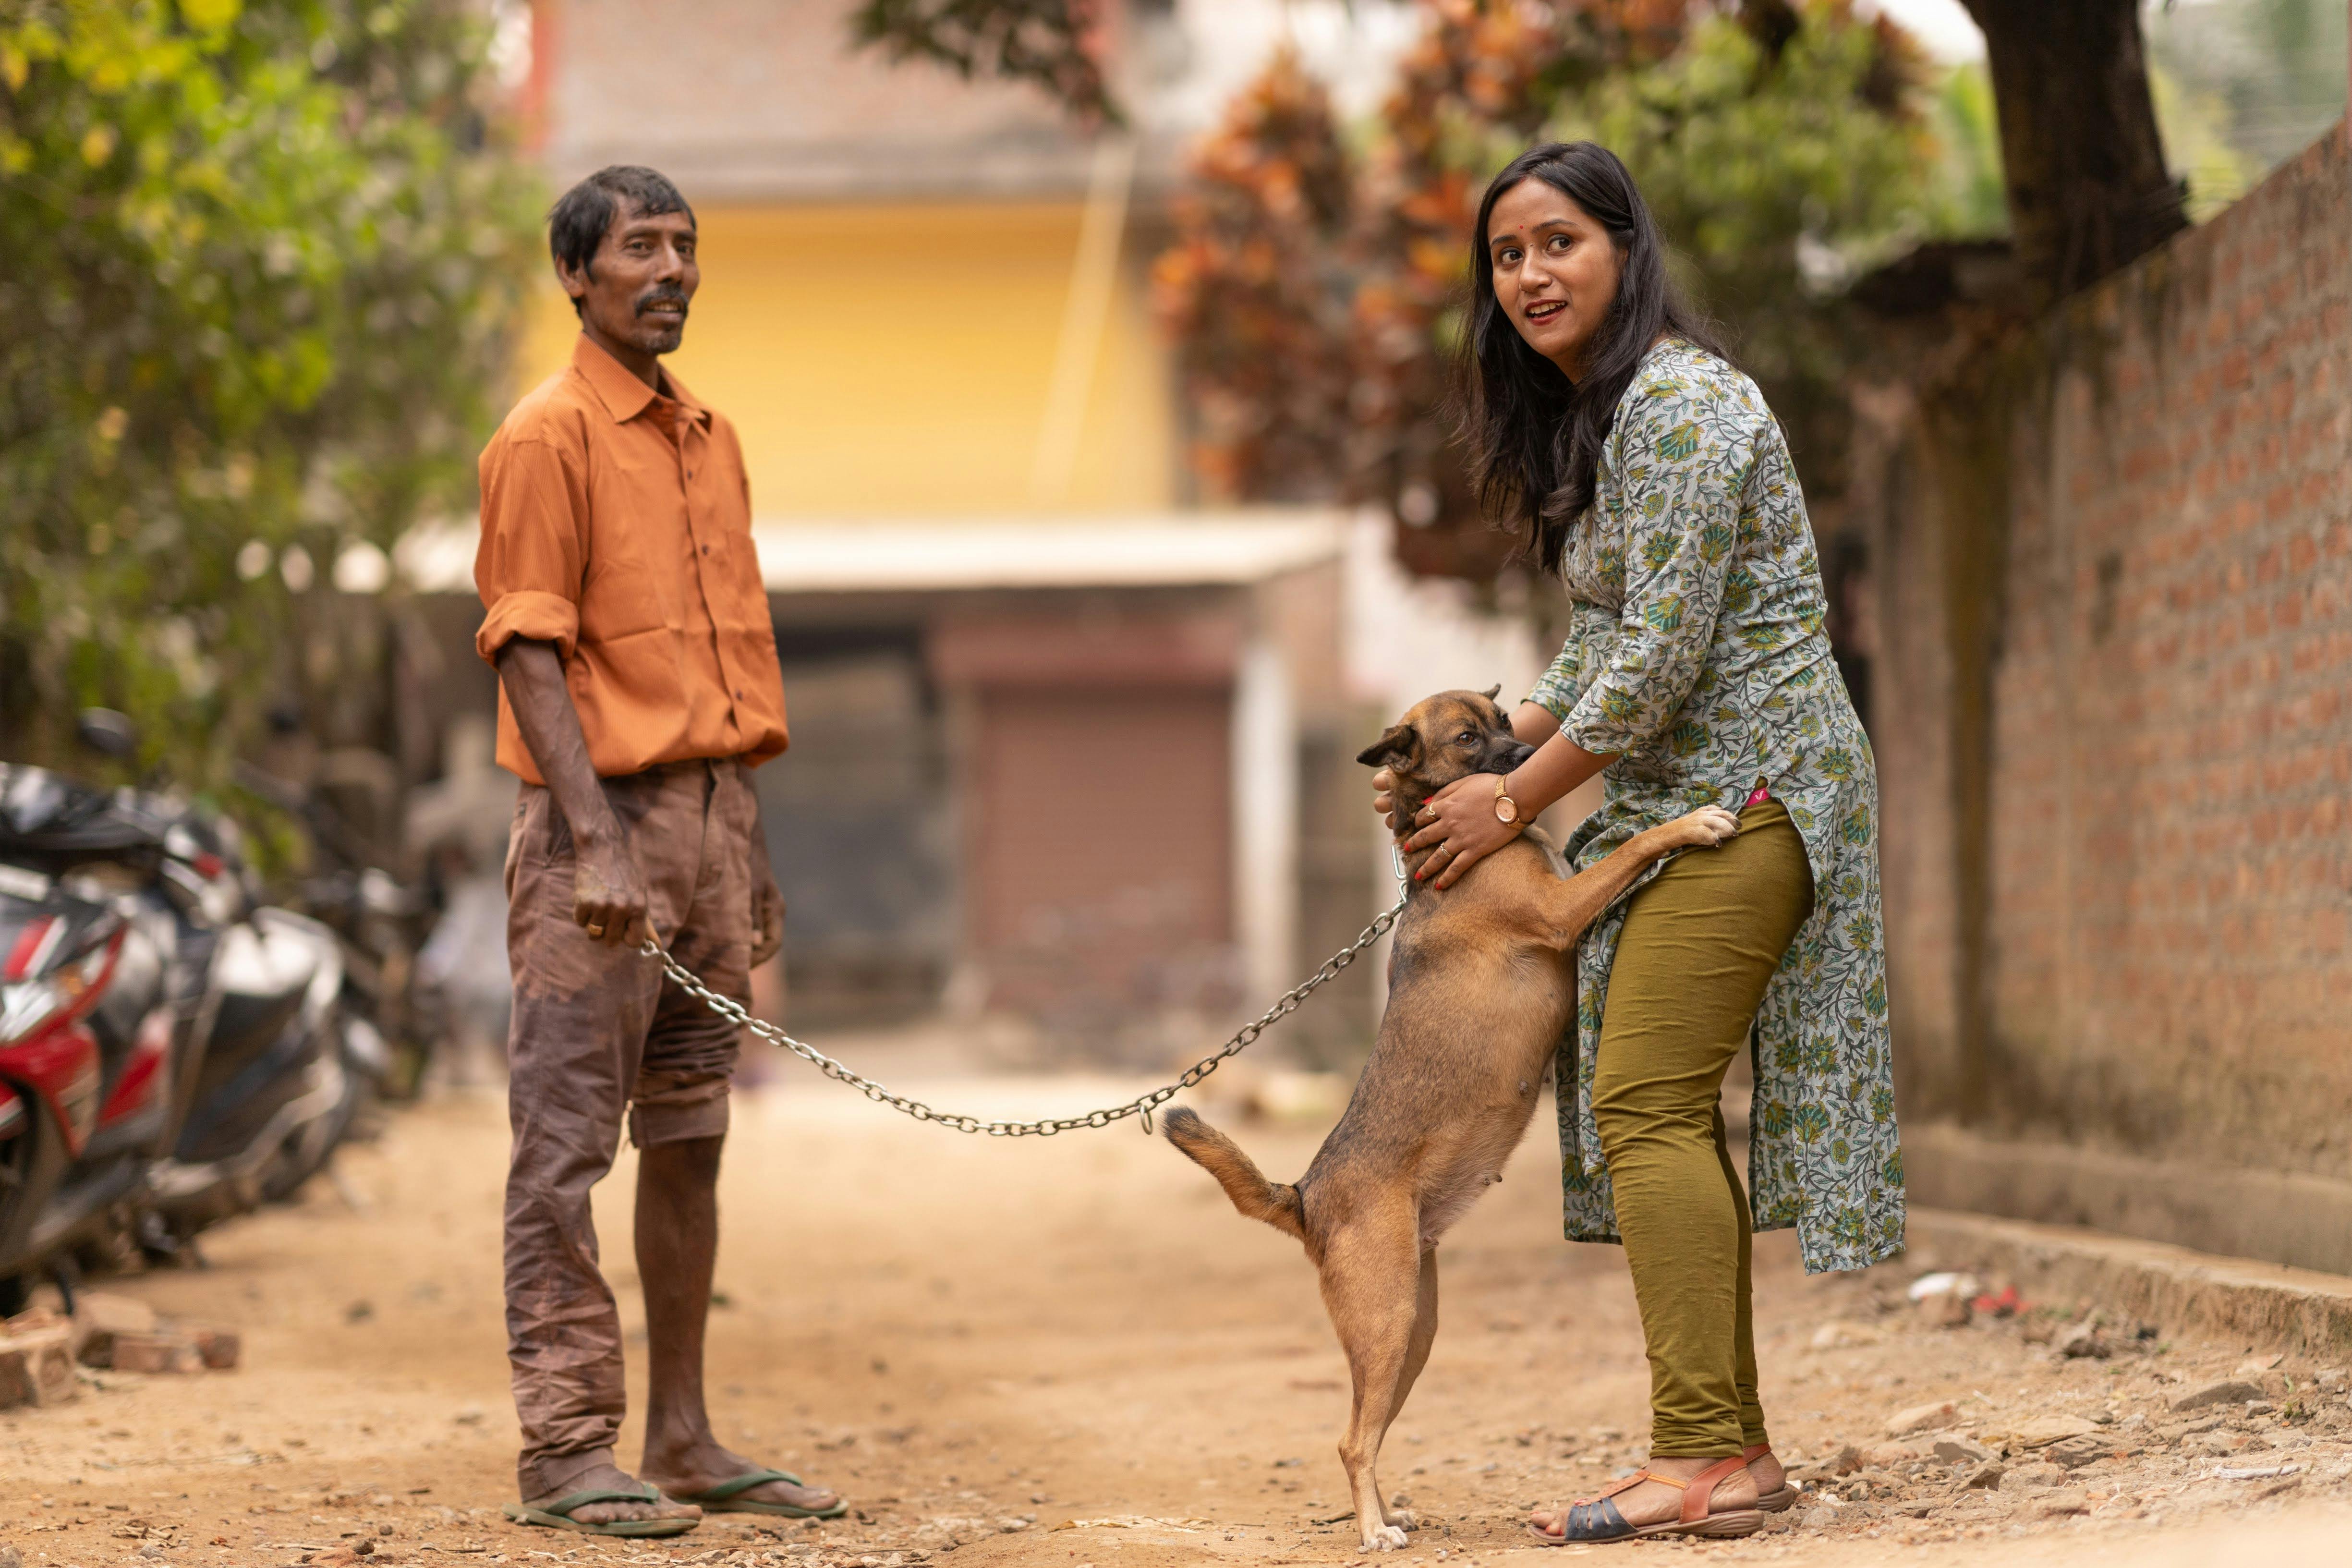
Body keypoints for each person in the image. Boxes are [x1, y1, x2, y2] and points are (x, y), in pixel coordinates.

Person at [1372, 143, 1900, 1544]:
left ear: (1623, 246)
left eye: (1558, 242)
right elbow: (1605, 640)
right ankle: (1727, 1450)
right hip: (1698, 795)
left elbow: (1660, 660)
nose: (1531, 274)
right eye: (1506, 256)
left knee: (1647, 1098)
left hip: (1751, 792)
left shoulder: (1675, 405)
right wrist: (1488, 753)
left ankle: (1700, 1454)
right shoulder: (1619, 420)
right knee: (1648, 1100)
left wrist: (1511, 795)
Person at [474, 165, 842, 1538]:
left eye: (685, 245)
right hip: (600, 839)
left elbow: (723, 660)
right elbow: (526, 645)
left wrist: (740, 842)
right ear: (576, 274)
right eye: (640, 246)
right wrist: (593, 842)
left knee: (692, 1131)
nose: (671, 268)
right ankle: (566, 1447)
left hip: (706, 822)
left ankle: (681, 1435)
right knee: (563, 1146)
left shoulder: (709, 435)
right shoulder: (544, 435)